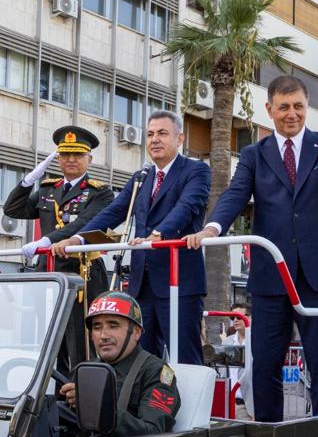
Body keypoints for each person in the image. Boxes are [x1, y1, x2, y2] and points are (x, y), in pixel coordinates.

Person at [187, 74, 318, 421]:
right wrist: (213, 227)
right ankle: (268, 434)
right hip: (271, 275)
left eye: (299, 107)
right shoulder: (254, 154)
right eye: (284, 107)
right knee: (265, 362)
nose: (292, 114)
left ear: (307, 108)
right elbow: (235, 194)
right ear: (269, 109)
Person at [33, 111, 211, 367]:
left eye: (162, 133)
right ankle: (145, 407)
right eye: (150, 134)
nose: (155, 140)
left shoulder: (195, 171)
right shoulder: (142, 178)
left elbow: (187, 207)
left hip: (179, 280)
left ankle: (191, 409)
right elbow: (114, 212)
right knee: (140, 361)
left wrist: (158, 234)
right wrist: (78, 240)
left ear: (179, 138)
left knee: (185, 358)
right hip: (142, 283)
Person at [2, 125, 114, 368]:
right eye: (65, 155)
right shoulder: (47, 189)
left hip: (82, 272)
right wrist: (28, 180)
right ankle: (60, 396)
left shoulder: (100, 193)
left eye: (77, 155)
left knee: (80, 339)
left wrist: (46, 241)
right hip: (49, 272)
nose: (71, 160)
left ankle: (82, 394)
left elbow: (85, 224)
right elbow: (12, 209)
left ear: (89, 159)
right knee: (52, 337)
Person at [58, 293, 181, 437]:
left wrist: (97, 405)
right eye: (97, 327)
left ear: (136, 332)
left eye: (113, 326)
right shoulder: (84, 370)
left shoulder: (155, 372)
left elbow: (151, 433)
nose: (103, 335)